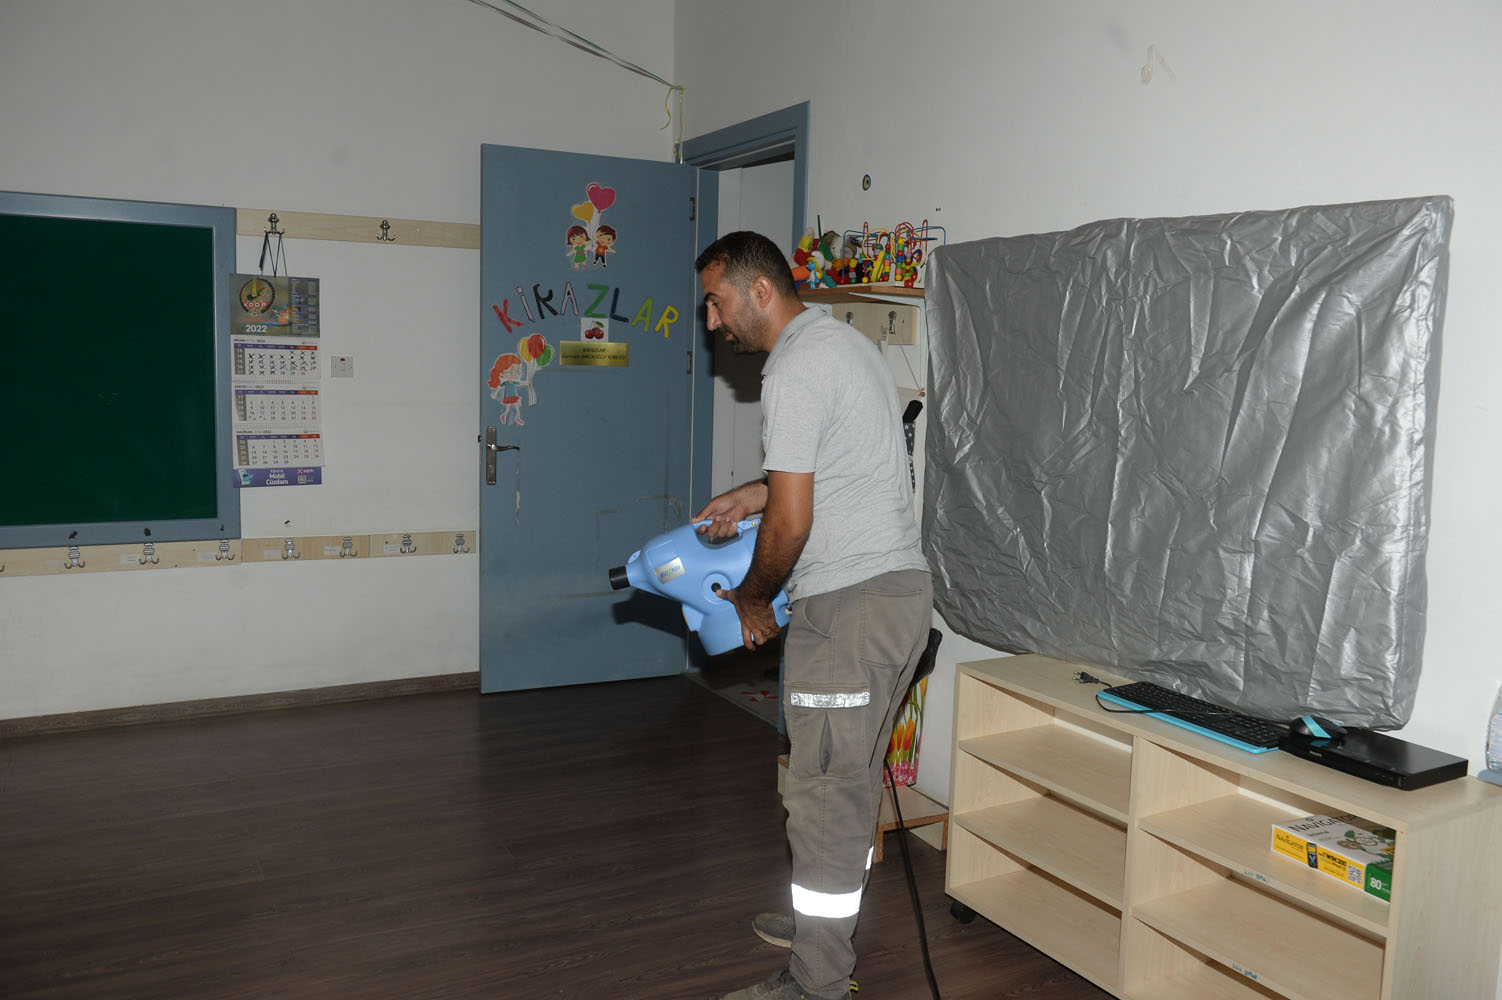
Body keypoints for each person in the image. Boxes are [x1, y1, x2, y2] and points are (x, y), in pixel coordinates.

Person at [694, 231, 932, 1000]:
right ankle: (823, 929)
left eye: (715, 302)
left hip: (850, 608)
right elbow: (833, 470)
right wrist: (752, 493)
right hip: (895, 597)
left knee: (824, 799)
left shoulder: (793, 371)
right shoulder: (842, 344)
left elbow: (792, 525)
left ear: (759, 291)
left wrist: (752, 599)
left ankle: (817, 982)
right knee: (846, 788)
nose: (711, 320)